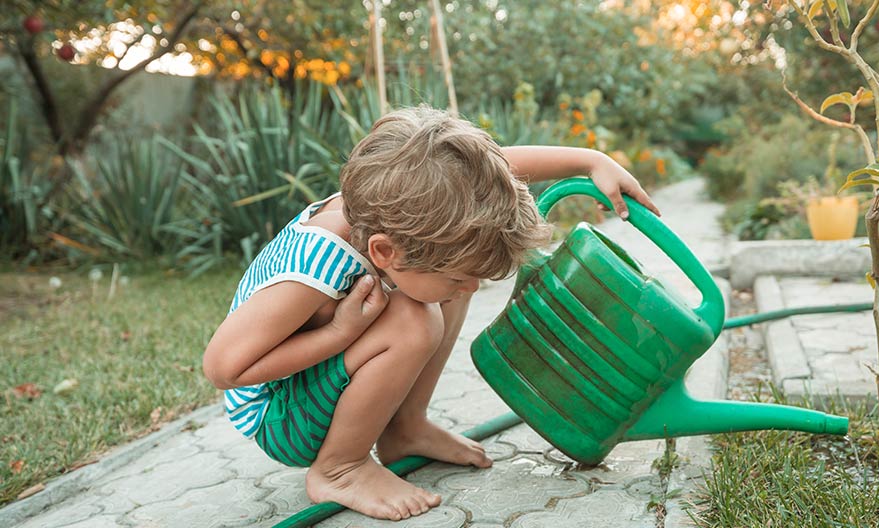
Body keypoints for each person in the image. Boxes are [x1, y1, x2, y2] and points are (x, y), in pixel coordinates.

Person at [202, 106, 659, 521]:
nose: (473, 288)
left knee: (440, 291)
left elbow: (488, 173)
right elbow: (224, 369)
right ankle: (339, 468)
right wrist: (339, 334)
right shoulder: (315, 268)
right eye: (464, 277)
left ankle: (405, 429)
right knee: (415, 321)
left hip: (307, 383)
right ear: (384, 251)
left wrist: (591, 160)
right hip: (277, 415)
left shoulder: (393, 202)